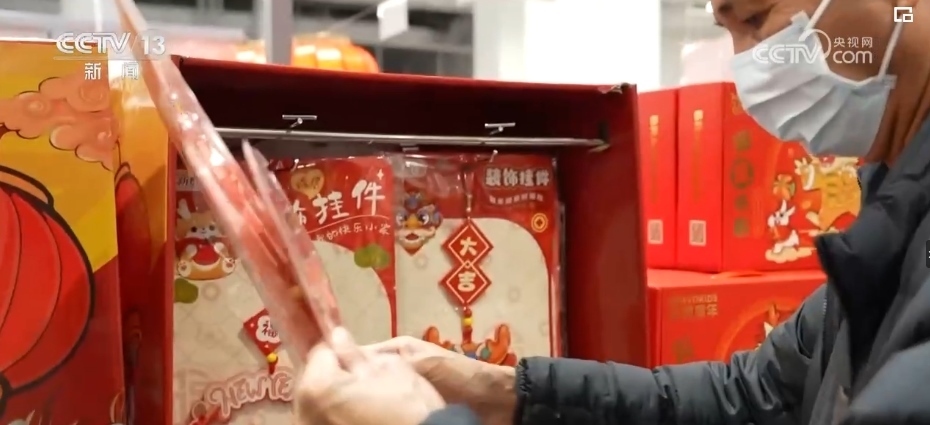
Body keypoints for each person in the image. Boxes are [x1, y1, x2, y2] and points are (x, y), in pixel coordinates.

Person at [297, 0, 930, 423]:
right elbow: (753, 394)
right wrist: (503, 391)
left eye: (757, 19)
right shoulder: (890, 222)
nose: (747, 67)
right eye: (727, 31)